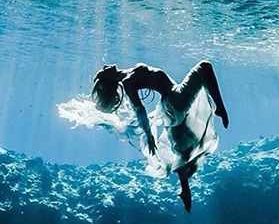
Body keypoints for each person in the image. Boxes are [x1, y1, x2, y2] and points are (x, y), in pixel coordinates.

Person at [91, 61, 229, 212]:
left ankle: (185, 190)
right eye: (103, 71)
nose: (105, 66)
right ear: (109, 79)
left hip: (169, 105)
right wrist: (149, 135)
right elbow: (139, 110)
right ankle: (220, 108)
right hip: (174, 98)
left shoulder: (128, 75)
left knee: (182, 144)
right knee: (205, 67)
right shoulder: (128, 82)